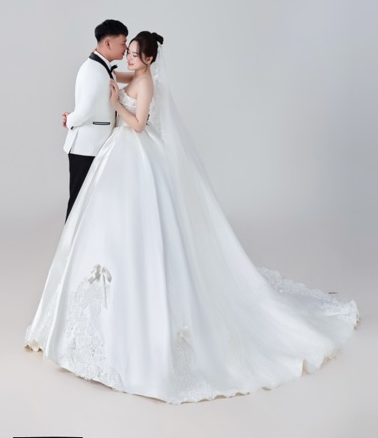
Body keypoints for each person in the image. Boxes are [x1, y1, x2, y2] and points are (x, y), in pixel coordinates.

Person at [24, 31, 359, 404]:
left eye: (134, 54)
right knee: (104, 229)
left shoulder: (146, 83)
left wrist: (116, 103)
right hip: (117, 155)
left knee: (141, 229)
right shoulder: (133, 74)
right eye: (127, 52)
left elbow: (138, 124)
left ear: (149, 60)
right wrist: (99, 73)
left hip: (136, 154)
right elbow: (112, 74)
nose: (128, 58)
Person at [62, 19, 128, 219]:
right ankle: (70, 239)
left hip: (95, 146)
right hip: (86, 147)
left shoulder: (103, 67)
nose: (126, 47)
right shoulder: (93, 70)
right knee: (78, 201)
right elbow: (85, 111)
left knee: (91, 202)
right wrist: (69, 120)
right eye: (123, 42)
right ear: (108, 43)